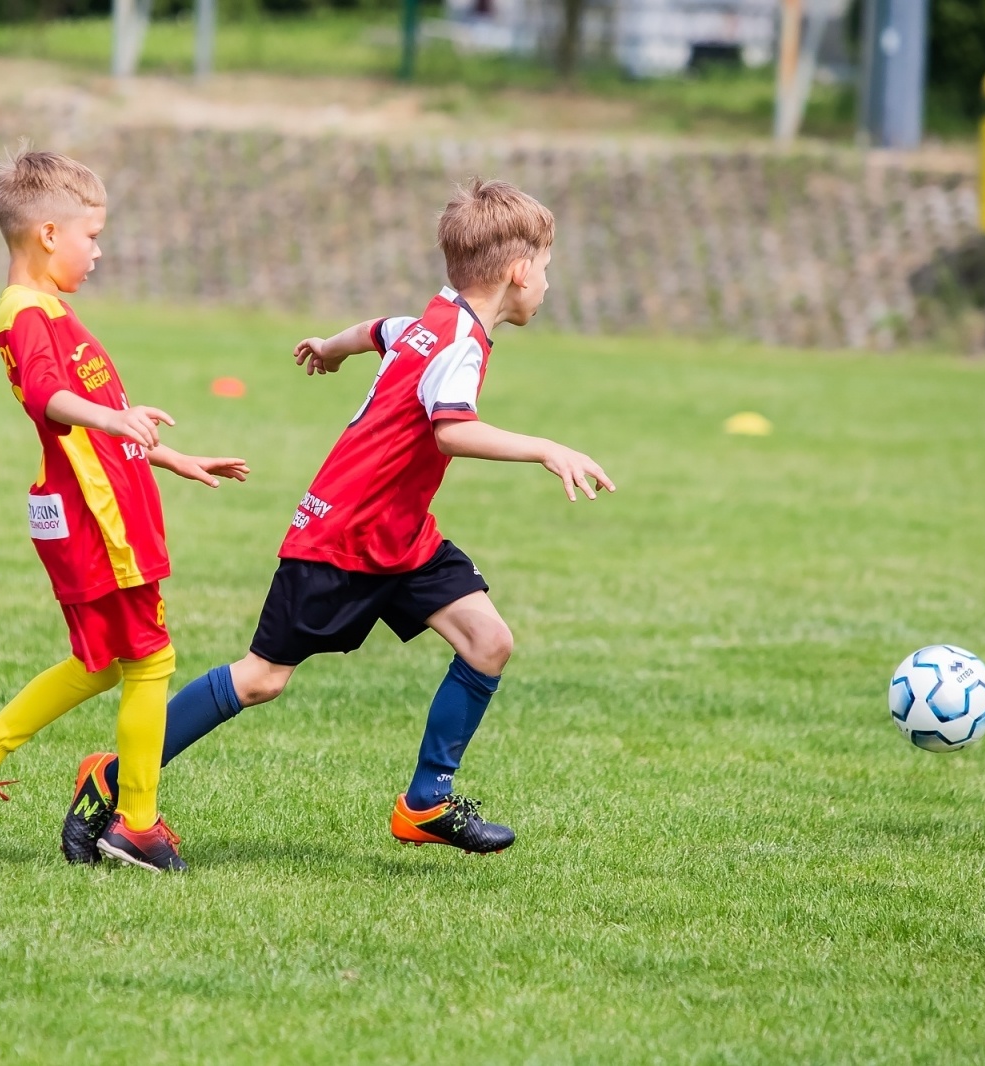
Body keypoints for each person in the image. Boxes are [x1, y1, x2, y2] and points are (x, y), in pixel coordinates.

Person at [62, 177, 613, 863]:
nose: (548, 286)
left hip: (401, 535)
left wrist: (331, 345)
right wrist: (543, 447)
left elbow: (377, 330)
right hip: (343, 534)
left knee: (487, 641)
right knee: (262, 678)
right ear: (519, 272)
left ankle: (426, 802)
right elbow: (450, 429)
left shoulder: (431, 320)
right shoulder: (459, 343)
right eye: (548, 272)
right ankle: (112, 778)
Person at [0, 149, 247, 873]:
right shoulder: (27, 313)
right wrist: (110, 418)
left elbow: (89, 425)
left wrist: (168, 455)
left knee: (101, 663)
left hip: (88, 505)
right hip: (98, 520)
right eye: (90, 235)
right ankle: (135, 823)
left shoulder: (49, 310)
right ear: (46, 234)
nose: (98, 250)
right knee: (151, 661)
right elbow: (48, 401)